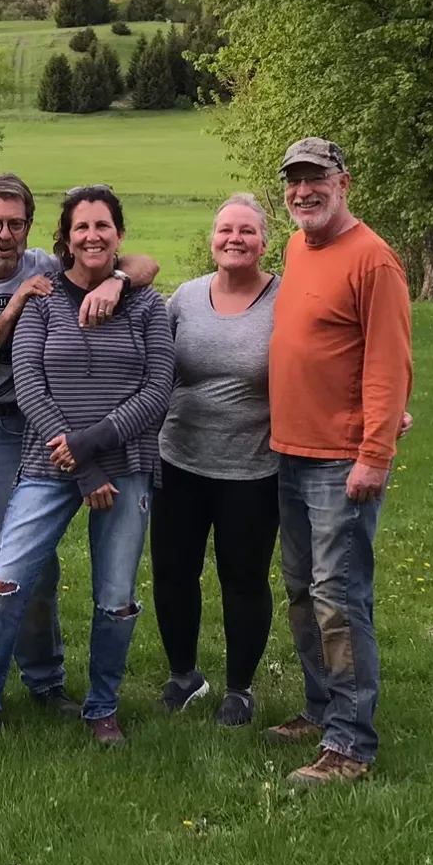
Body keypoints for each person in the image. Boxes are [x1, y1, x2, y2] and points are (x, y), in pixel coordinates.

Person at [0, 174, 159, 718]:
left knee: (31, 570)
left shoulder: (47, 267)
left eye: (15, 223)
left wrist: (116, 281)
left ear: (31, 229)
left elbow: (142, 265)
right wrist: (12, 307)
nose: (4, 234)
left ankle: (45, 682)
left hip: (12, 430)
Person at [263, 137, 413, 787]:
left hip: (339, 463)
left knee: (339, 598)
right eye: (294, 181)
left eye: (316, 179)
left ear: (343, 183)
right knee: (303, 590)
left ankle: (350, 744)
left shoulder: (373, 260)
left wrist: (374, 453)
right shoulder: (299, 246)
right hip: (290, 452)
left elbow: (389, 361)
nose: (304, 191)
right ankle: (321, 707)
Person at [150, 194, 282, 727]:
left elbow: (329, 355)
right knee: (173, 573)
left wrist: (378, 405)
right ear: (212, 239)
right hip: (178, 458)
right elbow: (152, 359)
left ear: (264, 243)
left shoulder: (286, 298)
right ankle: (184, 676)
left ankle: (240, 688)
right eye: (225, 229)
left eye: (246, 231)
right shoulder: (184, 297)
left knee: (243, 578)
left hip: (251, 467)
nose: (234, 238)